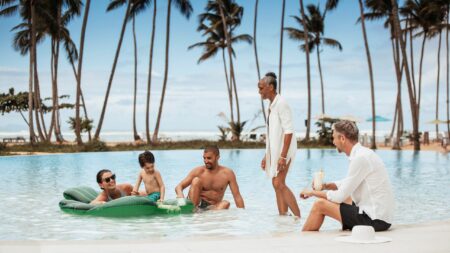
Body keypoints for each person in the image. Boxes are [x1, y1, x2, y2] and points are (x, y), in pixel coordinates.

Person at [300, 120, 395, 231]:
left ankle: (302, 239)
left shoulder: (360, 158)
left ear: (342, 139)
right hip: (382, 217)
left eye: (334, 137)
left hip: (375, 220)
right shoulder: (363, 154)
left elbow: (339, 197)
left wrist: (313, 193)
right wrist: (327, 185)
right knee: (348, 197)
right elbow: (349, 183)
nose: (333, 141)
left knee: (319, 204)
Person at [258, 72, 301, 218]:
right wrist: (267, 155)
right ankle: (283, 217)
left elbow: (288, 131)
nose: (259, 92)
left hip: (285, 150)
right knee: (276, 183)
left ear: (270, 87)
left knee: (279, 183)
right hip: (275, 151)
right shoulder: (271, 105)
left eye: (261, 88)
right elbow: (272, 134)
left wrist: (283, 156)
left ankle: (298, 217)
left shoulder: (281, 103)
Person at [175, 145, 245, 211]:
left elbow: (237, 196)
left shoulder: (228, 173)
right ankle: (193, 211)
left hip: (212, 207)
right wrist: (180, 195)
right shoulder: (198, 171)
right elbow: (179, 186)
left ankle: (208, 218)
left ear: (217, 157)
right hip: (196, 203)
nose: (206, 161)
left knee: (225, 203)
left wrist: (243, 214)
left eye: (209, 158)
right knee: (196, 180)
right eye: (204, 158)